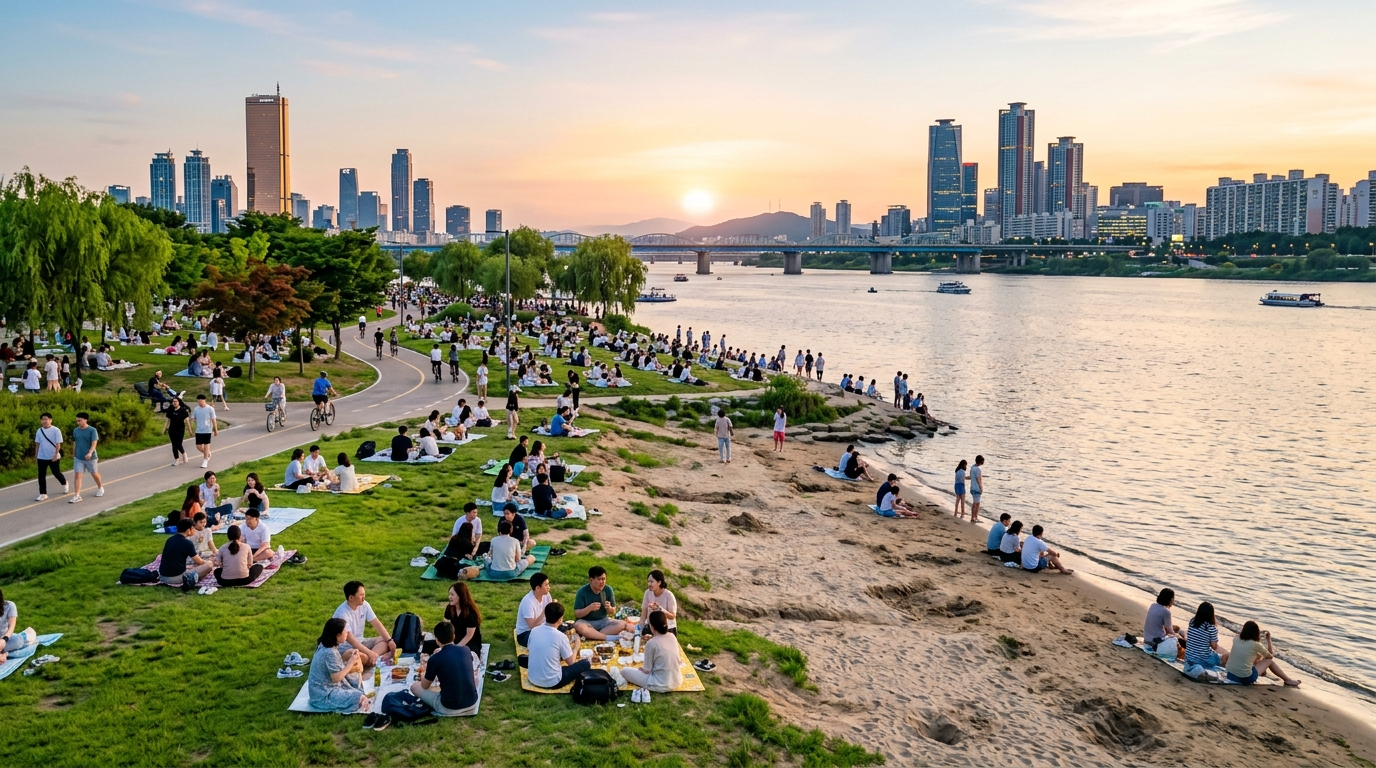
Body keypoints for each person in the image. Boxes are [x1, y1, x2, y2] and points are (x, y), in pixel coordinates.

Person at [410, 620, 480, 716]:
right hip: (473, 704)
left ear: (436, 639)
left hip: (448, 707)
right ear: (454, 636)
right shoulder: (466, 650)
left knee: (415, 687)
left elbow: (424, 686)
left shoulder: (435, 658)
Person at [309, 617, 371, 714]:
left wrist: (348, 658)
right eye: (345, 631)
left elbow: (335, 665)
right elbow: (336, 678)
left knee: (354, 678)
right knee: (357, 696)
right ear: (338, 636)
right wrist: (350, 663)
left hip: (319, 690)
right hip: (324, 694)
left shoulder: (324, 645)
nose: (347, 632)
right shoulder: (330, 652)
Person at [333, 581, 397, 668]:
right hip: (347, 648)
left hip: (361, 642)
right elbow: (351, 640)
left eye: (364, 594)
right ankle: (369, 659)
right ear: (351, 597)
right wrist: (369, 652)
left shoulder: (365, 605)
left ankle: (370, 659)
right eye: (361, 595)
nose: (364, 597)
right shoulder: (342, 613)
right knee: (354, 655)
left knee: (384, 639)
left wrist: (389, 640)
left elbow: (376, 623)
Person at [527, 603, 589, 690]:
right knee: (585, 663)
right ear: (560, 619)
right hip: (553, 682)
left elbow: (531, 649)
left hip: (532, 678)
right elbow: (571, 662)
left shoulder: (534, 630)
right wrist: (576, 647)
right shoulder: (560, 636)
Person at [622, 610, 684, 697]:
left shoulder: (651, 643)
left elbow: (647, 670)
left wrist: (641, 670)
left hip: (659, 684)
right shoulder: (672, 636)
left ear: (651, 626)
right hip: (677, 680)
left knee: (624, 671)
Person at [1226, 621, 1300, 686]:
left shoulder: (1236, 639)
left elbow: (1246, 646)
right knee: (1269, 661)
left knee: (1253, 656)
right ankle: (1287, 680)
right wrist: (1268, 640)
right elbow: (1270, 656)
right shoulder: (1256, 645)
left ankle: (1286, 679)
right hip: (1245, 679)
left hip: (1230, 675)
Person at [574, 565, 628, 640]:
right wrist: (589, 608)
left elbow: (613, 611)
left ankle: (594, 635)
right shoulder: (582, 592)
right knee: (578, 625)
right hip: (587, 622)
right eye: (599, 579)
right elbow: (577, 614)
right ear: (591, 580)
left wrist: (609, 608)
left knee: (622, 624)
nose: (602, 582)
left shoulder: (608, 590)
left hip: (604, 621)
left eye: (604, 579)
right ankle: (608, 637)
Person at [159, 518, 213, 587]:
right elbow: (199, 562)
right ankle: (191, 579)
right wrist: (209, 561)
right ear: (188, 530)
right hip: (175, 578)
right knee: (209, 565)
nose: (194, 530)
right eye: (193, 528)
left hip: (162, 576)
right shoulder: (187, 543)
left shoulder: (170, 539)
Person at [65, 411, 104, 503]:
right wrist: (74, 453)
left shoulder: (92, 430)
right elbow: (75, 442)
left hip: (91, 457)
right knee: (78, 474)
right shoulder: (76, 430)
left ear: (85, 420)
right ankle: (77, 495)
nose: (78, 422)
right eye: (77, 421)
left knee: (94, 473)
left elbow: (94, 443)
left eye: (80, 420)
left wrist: (90, 453)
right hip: (79, 457)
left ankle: (100, 487)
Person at [1185, 601, 1230, 669]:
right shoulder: (1211, 627)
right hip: (1203, 660)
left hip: (1189, 657)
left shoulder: (1192, 622)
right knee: (1227, 655)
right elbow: (1214, 646)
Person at [443, 582, 484, 655]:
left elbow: (469, 635)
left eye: (452, 594)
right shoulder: (450, 608)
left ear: (460, 595)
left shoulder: (471, 612)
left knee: (463, 655)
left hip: (469, 643)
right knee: (429, 644)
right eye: (449, 594)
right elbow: (445, 626)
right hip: (454, 639)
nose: (449, 597)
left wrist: (455, 648)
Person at [33, 411, 66, 502]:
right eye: (42, 419)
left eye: (46, 419)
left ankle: (64, 483)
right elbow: (37, 443)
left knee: (56, 473)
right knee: (41, 475)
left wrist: (55, 455)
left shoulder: (56, 430)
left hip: (53, 456)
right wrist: (36, 454)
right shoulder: (39, 431)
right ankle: (43, 494)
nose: (44, 421)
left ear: (51, 420)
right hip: (42, 456)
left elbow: (58, 444)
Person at [515, 573, 553, 647]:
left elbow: (551, 617)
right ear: (538, 588)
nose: (549, 587)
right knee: (545, 639)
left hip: (543, 628)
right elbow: (532, 626)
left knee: (561, 629)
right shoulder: (528, 601)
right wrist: (546, 610)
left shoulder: (547, 595)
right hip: (526, 633)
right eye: (546, 585)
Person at [1144, 588, 1186, 655]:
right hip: (1156, 643)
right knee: (1180, 633)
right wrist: (1177, 636)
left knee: (1176, 628)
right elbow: (1170, 630)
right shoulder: (1166, 611)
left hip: (1146, 640)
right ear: (1171, 599)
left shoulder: (1153, 605)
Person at [640, 570, 678, 635]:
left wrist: (660, 609)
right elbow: (643, 615)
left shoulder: (669, 595)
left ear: (659, 582)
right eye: (648, 581)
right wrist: (639, 630)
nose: (649, 584)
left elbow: (672, 616)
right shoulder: (647, 593)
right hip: (652, 626)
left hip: (666, 628)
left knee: (658, 640)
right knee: (642, 637)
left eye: (651, 582)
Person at [191, 394, 217, 469]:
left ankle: (205, 460)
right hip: (199, 430)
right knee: (198, 446)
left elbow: (213, 419)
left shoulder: (210, 409)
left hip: (207, 430)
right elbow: (193, 419)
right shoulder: (196, 409)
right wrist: (191, 428)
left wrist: (215, 429)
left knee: (206, 445)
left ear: (204, 400)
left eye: (201, 400)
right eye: (199, 400)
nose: (200, 401)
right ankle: (207, 453)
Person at [163, 395, 191, 466]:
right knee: (174, 444)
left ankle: (184, 453)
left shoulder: (183, 410)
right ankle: (176, 459)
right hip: (172, 429)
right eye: (173, 401)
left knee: (178, 443)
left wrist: (190, 430)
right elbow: (167, 420)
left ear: (179, 402)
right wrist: (164, 429)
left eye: (176, 401)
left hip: (180, 429)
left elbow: (187, 421)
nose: (174, 403)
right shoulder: (170, 410)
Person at [969, 455, 985, 523]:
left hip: (972, 487)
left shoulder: (972, 467)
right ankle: (975, 517)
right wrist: (981, 488)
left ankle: (973, 517)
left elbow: (971, 476)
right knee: (977, 504)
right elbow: (979, 479)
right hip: (976, 488)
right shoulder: (978, 469)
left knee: (975, 503)